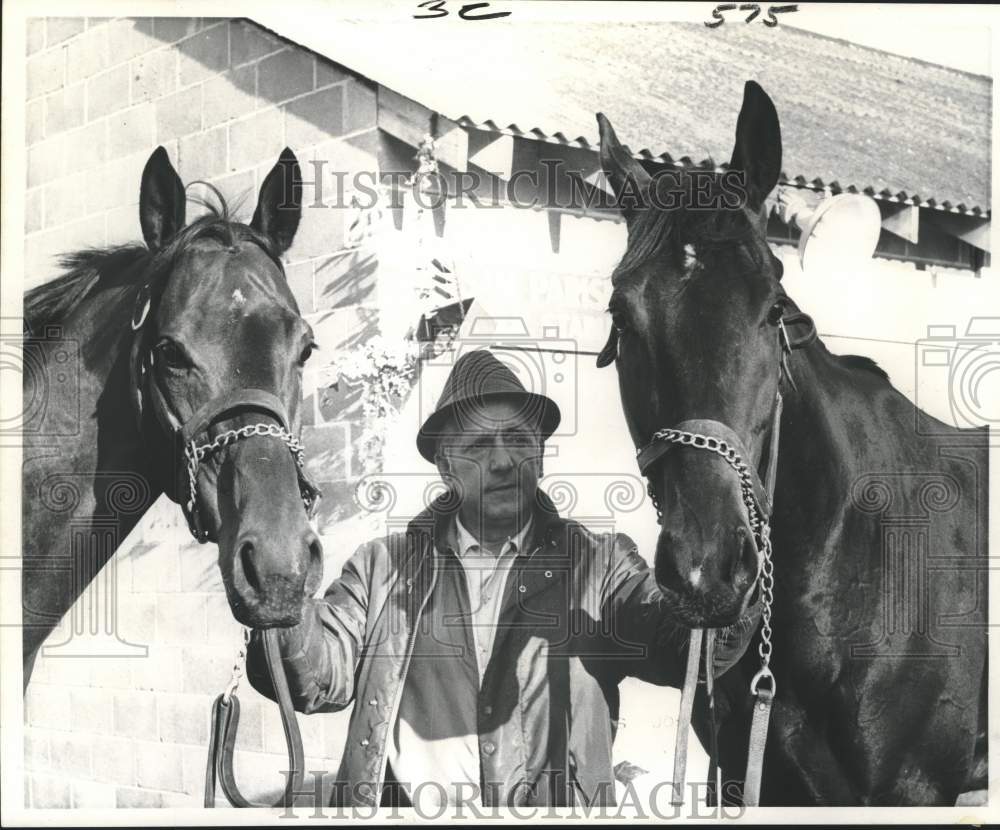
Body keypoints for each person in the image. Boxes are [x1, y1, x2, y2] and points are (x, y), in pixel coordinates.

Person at [246, 349, 737, 810]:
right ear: (444, 466)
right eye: (480, 445)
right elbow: (314, 679)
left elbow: (689, 652)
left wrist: (729, 560)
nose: (503, 460)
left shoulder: (600, 564)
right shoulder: (381, 568)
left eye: (519, 441)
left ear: (540, 457)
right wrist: (279, 588)